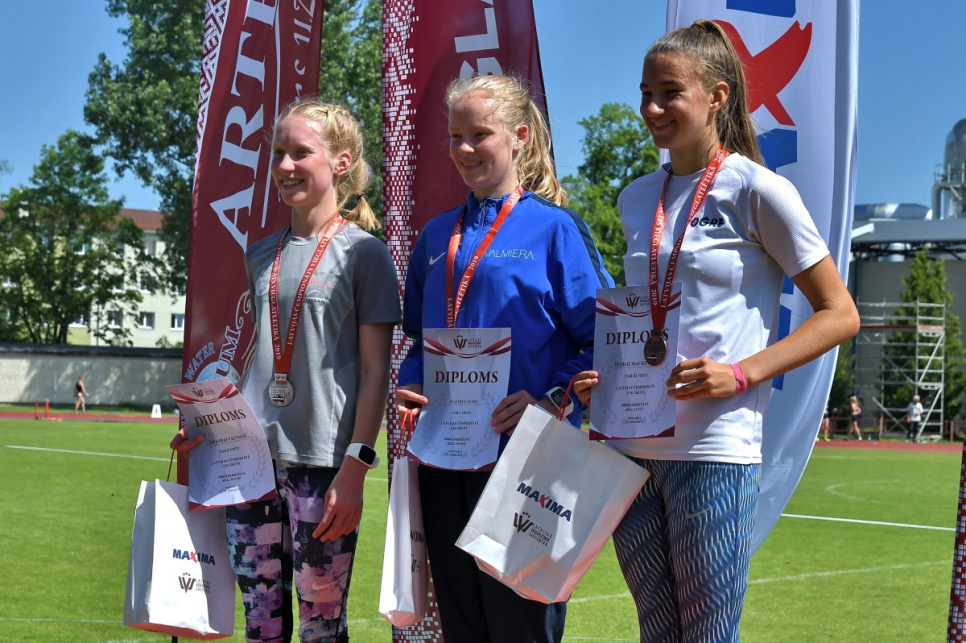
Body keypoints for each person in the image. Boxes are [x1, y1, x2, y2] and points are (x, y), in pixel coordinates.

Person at [570, 20, 860, 642]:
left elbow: (840, 313)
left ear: (717, 96)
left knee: (708, 635)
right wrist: (609, 379)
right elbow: (644, 315)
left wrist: (741, 373)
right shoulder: (635, 197)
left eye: (669, 93)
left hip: (713, 448)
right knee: (656, 631)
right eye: (645, 93)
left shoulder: (758, 190)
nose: (652, 109)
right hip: (631, 447)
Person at [394, 74, 614, 643]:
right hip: (445, 459)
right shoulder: (435, 236)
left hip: (526, 459)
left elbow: (606, 339)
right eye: (456, 136)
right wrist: (411, 383)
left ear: (519, 137)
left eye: (480, 135)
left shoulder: (555, 228)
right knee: (462, 624)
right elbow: (419, 341)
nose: (465, 149)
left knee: (521, 626)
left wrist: (550, 399)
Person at [174, 98, 400, 643]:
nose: (284, 165)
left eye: (300, 152)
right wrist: (208, 427)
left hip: (325, 467)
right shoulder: (260, 254)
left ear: (341, 162)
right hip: (251, 465)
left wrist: (356, 467)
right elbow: (261, 357)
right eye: (278, 153)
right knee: (260, 623)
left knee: (322, 627)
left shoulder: (366, 254)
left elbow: (376, 371)